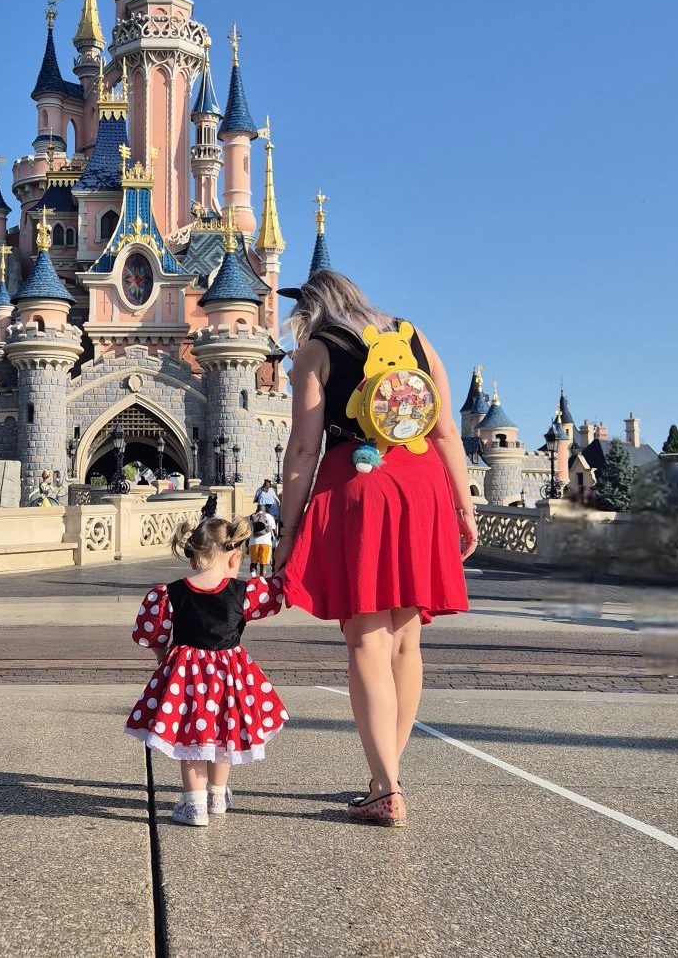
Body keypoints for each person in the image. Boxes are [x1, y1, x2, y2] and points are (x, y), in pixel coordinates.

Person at [273, 269, 476, 829]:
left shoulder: (316, 350)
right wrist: (463, 507)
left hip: (360, 486)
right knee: (406, 640)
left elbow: (304, 449)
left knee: (367, 637)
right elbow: (445, 431)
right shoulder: (412, 334)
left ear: (309, 310)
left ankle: (386, 786)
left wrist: (288, 531)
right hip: (422, 482)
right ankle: (386, 777)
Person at [125, 515, 288, 826]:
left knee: (192, 740)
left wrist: (163, 656)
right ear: (234, 558)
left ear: (193, 557)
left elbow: (152, 633)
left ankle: (194, 805)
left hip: (186, 679)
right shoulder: (244, 592)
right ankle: (217, 795)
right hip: (230, 678)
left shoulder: (169, 594)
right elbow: (276, 591)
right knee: (223, 736)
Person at [247, 505, 276, 577]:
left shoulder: (250, 517)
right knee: (263, 564)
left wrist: (247, 545)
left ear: (256, 509)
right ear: (265, 509)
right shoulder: (270, 516)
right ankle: (261, 580)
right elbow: (274, 530)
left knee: (253, 563)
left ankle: (253, 578)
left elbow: (247, 532)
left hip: (253, 542)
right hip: (266, 543)